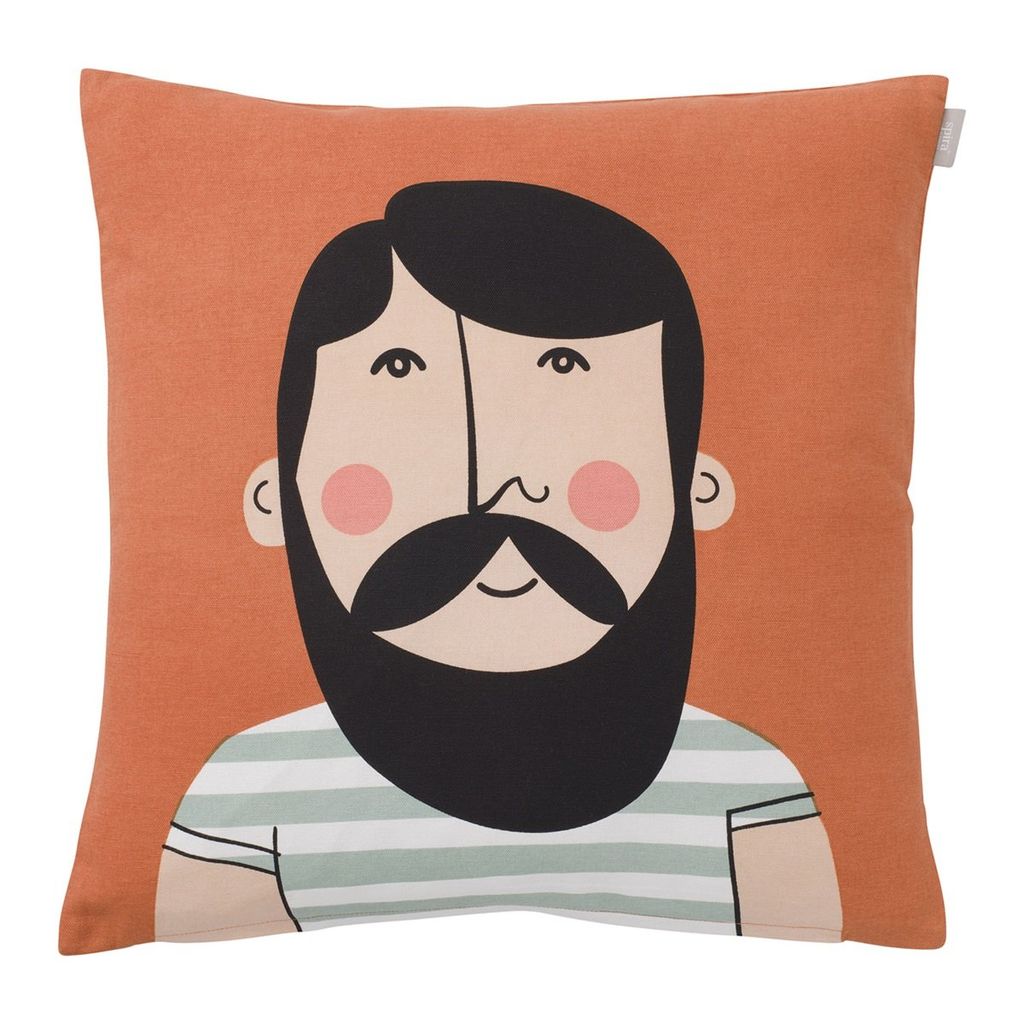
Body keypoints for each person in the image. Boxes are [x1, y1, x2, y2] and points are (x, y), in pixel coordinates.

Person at [155, 180, 842, 943]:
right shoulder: (242, 803)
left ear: (694, 487)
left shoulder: (749, 790)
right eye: (397, 368)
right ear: (275, 497)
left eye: (565, 367)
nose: (491, 486)